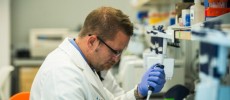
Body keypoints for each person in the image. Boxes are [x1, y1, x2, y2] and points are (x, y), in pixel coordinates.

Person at [30, 6, 166, 100]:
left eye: (120, 53)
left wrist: (139, 92)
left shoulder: (86, 65)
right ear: (92, 42)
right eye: (115, 51)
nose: (116, 58)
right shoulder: (63, 75)